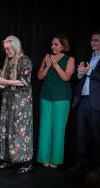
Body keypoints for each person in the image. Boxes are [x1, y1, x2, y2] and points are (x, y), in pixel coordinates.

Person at [0, 35, 34, 173]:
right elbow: (4, 77)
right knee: (7, 129)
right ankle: (9, 159)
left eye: (9, 49)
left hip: (21, 102)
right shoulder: (8, 61)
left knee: (20, 130)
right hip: (8, 99)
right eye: (5, 49)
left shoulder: (24, 61)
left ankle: (26, 162)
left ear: (16, 46)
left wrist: (5, 82)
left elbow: (24, 82)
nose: (7, 52)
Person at [37, 34, 75, 168]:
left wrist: (55, 64)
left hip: (62, 98)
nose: (53, 46)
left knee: (58, 129)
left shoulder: (70, 59)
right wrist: (47, 66)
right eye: (52, 44)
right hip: (46, 96)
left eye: (56, 44)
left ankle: (56, 160)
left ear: (63, 46)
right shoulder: (47, 57)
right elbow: (40, 76)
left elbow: (66, 77)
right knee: (45, 128)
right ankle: (44, 159)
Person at [71, 30, 100, 171]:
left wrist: (89, 72)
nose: (93, 42)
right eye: (92, 40)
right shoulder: (87, 57)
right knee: (81, 135)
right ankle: (81, 163)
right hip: (82, 100)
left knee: (98, 137)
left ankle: (99, 167)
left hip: (98, 102)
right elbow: (79, 78)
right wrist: (79, 74)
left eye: (96, 40)